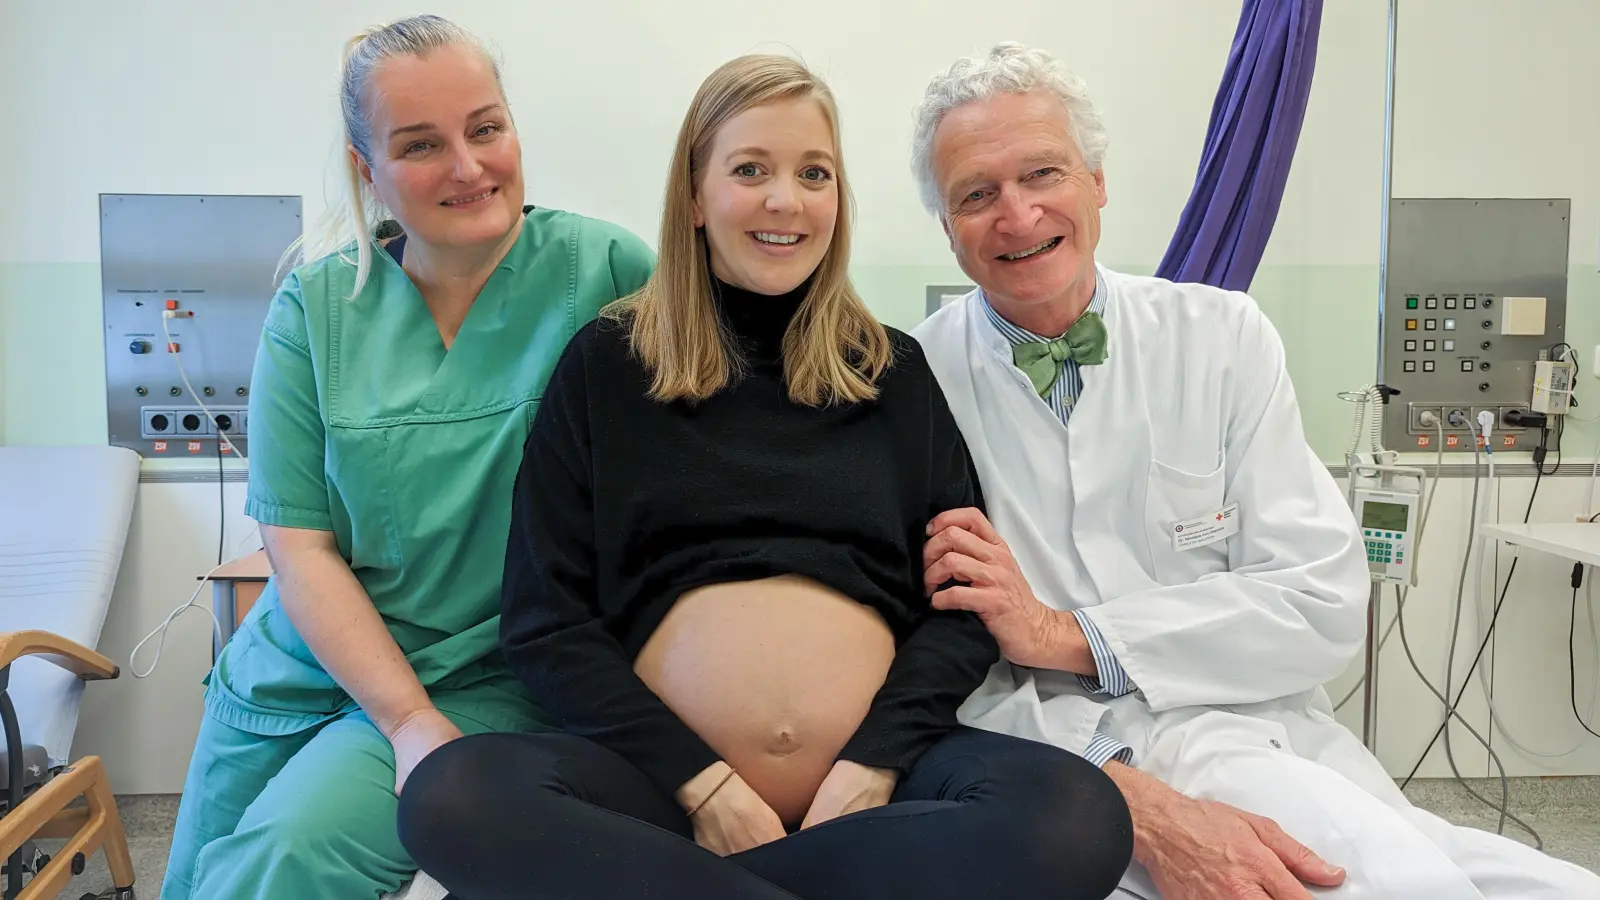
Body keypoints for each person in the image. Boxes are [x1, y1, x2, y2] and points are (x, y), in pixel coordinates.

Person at [398, 52, 1134, 900]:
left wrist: (873, 765)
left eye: (812, 173)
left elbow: (961, 608)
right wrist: (702, 784)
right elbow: (545, 622)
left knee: (1076, 814)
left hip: (872, 789)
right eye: (751, 170)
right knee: (452, 796)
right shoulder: (608, 365)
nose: (785, 199)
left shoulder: (892, 370)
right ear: (697, 196)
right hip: (661, 792)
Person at [907, 41, 1600, 900]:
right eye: (977, 194)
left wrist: (1066, 635)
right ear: (947, 227)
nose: (1017, 215)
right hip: (1063, 749)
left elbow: (1318, 601)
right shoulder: (911, 384)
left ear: (1096, 180)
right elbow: (925, 663)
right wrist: (1118, 783)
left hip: (1257, 727)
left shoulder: (1223, 338)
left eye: (1043, 173)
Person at [159, 16, 655, 900]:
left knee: (281, 863)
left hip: (478, 672)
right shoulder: (314, 309)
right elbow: (299, 544)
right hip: (293, 668)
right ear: (368, 169)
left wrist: (413, 724)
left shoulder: (608, 273)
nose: (468, 168)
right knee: (196, 881)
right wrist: (400, 714)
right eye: (421, 144)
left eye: (486, 128)